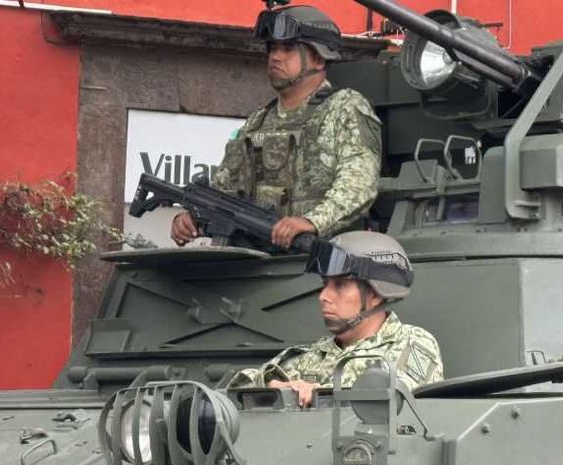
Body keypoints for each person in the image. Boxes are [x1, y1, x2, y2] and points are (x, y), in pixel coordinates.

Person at [171, 4, 382, 249]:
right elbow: (224, 192)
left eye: (288, 48)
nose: (275, 56)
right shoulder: (258, 121)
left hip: (322, 260)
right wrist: (193, 217)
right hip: (257, 263)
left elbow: (359, 185)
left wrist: (312, 222)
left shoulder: (344, 108)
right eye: (272, 48)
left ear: (318, 58)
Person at [230, 231, 444, 407]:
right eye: (325, 284)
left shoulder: (412, 342)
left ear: (375, 294)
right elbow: (237, 390)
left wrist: (317, 395)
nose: (323, 296)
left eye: (340, 285)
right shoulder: (315, 355)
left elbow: (391, 399)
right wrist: (274, 387)